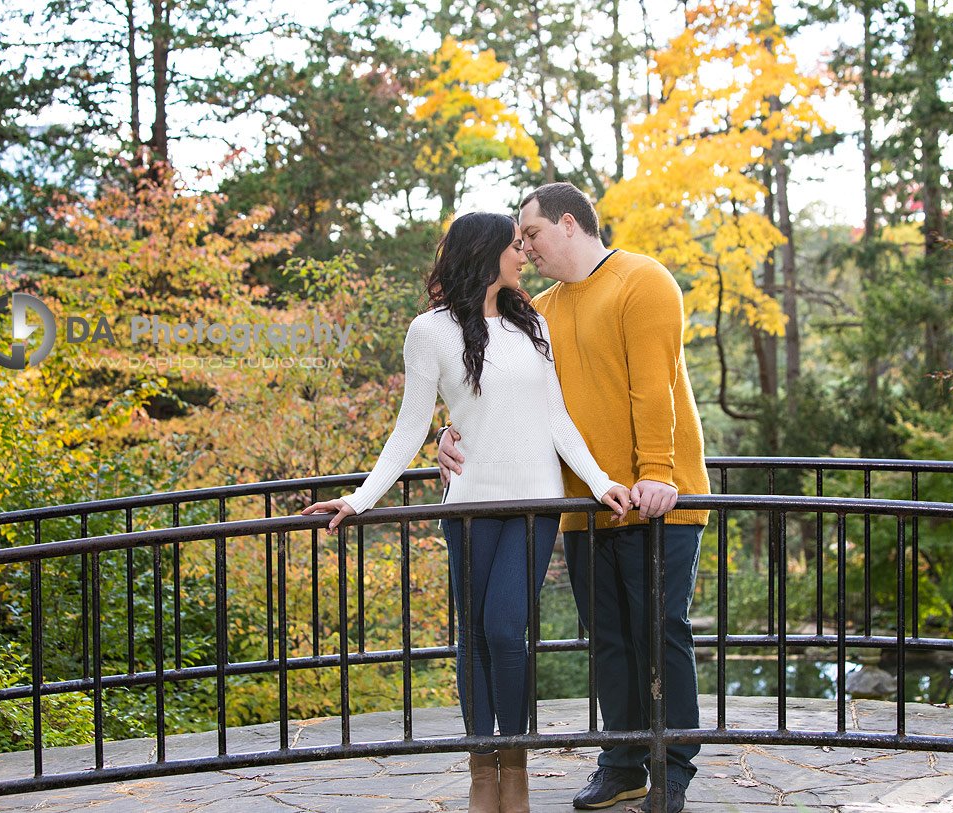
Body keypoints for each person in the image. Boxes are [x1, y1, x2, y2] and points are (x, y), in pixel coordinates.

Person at [302, 211, 632, 813]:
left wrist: (601, 481)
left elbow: (556, 418)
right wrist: (358, 499)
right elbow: (409, 429)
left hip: (536, 503)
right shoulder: (428, 333)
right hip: (470, 507)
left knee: (507, 630)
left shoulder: (531, 324)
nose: (523, 255)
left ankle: (517, 767)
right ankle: (484, 773)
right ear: (483, 255)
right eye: (513, 247)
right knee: (473, 637)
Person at [439, 184, 709, 813]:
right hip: (584, 504)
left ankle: (673, 769)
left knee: (659, 631)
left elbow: (653, 386)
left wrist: (658, 473)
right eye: (518, 242)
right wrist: (448, 438)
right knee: (608, 637)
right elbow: (499, 394)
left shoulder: (643, 280)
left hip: (659, 498)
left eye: (529, 235)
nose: (524, 249)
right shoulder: (541, 310)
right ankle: (622, 762)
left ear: (567, 224)